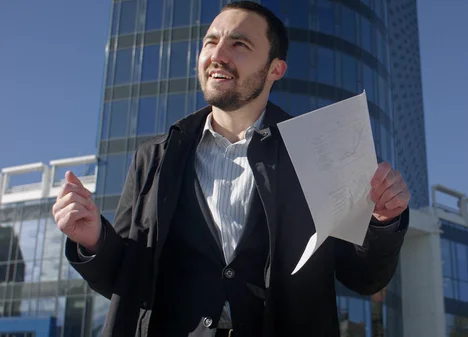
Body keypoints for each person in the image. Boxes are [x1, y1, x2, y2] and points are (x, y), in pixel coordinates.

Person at [52, 2, 411, 336]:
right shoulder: (154, 157)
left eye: (239, 44)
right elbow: (126, 278)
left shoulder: (319, 154)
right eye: (210, 42)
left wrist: (382, 221)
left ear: (275, 69)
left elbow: (363, 277)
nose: (217, 56)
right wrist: (93, 239)